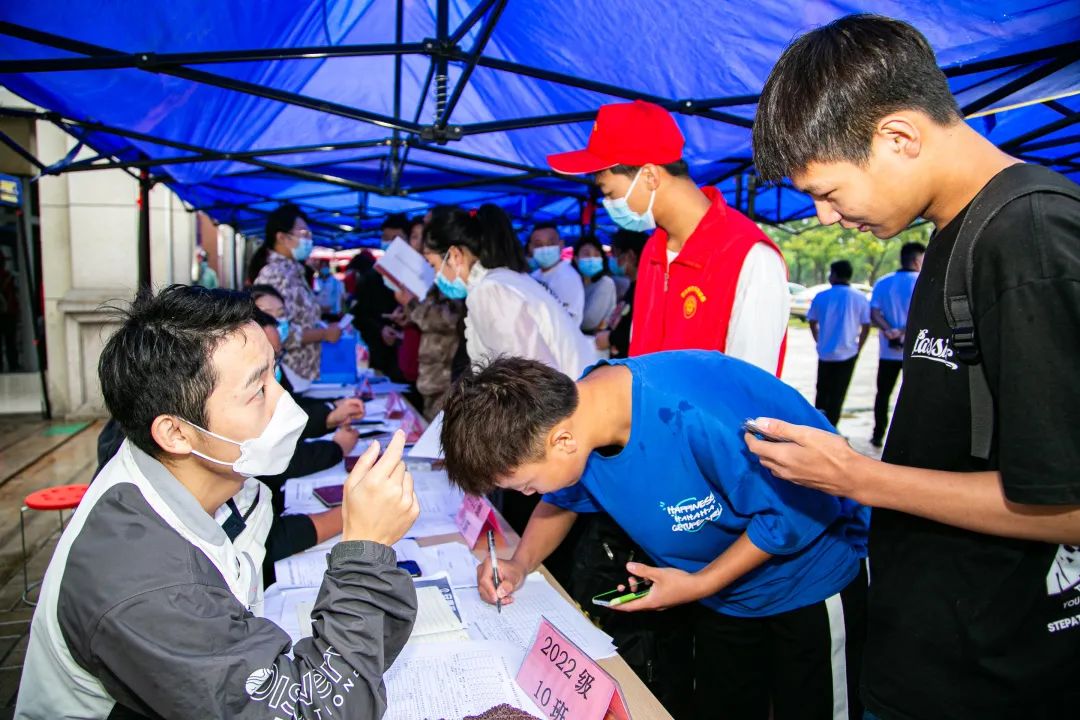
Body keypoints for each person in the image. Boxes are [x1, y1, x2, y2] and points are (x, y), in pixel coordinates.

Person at [750, 14, 1080, 720]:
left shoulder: (1028, 237)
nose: (827, 218)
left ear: (899, 137)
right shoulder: (956, 230)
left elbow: (1070, 505)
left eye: (828, 192)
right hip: (934, 648)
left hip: (995, 679)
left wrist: (856, 476)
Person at [16, 284, 419, 719]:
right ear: (175, 432)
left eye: (275, 375)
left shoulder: (210, 478)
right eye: (258, 390)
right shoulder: (149, 587)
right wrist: (364, 552)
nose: (286, 405)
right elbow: (319, 708)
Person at [441, 354, 869, 719]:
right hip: (721, 597)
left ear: (563, 441)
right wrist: (519, 563)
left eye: (526, 484)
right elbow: (563, 501)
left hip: (805, 588)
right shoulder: (579, 420)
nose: (530, 495)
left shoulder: (696, 415)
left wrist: (700, 583)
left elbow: (792, 511)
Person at [547, 100, 789, 374]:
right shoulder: (653, 250)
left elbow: (751, 388)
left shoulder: (750, 257)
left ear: (650, 176)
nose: (608, 205)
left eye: (609, 193)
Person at [421, 204, 597, 380]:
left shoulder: (490, 292)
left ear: (455, 256)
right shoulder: (506, 280)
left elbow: (526, 376)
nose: (436, 276)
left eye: (433, 265)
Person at [250, 284, 366, 433]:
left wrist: (334, 405)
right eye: (266, 314)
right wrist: (331, 422)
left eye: (281, 313)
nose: (275, 321)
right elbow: (274, 424)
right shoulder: (247, 375)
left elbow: (291, 403)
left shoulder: (276, 364)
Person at [248, 204, 342, 381]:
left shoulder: (293, 272)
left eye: (309, 235)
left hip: (302, 374)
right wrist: (323, 334)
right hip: (287, 374)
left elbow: (299, 317)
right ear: (282, 237)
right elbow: (273, 330)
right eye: (304, 234)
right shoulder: (275, 274)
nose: (309, 240)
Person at [869, 242, 925, 447]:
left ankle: (878, 434)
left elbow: (874, 312)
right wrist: (902, 332)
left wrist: (890, 331)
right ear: (917, 260)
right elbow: (923, 315)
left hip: (888, 350)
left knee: (883, 394)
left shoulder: (883, 282)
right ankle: (909, 438)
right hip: (916, 351)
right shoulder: (923, 281)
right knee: (913, 395)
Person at [807, 260, 871, 427]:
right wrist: (859, 347)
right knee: (838, 393)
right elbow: (866, 326)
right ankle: (832, 427)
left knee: (822, 391)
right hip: (848, 352)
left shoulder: (821, 296)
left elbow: (812, 321)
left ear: (834, 275)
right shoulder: (859, 298)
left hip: (825, 352)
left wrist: (818, 340)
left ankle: (818, 425)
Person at [596, 229, 648, 359]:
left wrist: (611, 338)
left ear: (630, 256)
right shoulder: (633, 287)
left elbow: (642, 333)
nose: (612, 259)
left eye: (615, 254)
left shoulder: (646, 292)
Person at [527, 222, 585, 323]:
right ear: (530, 248)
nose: (545, 248)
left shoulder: (568, 277)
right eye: (538, 245)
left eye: (550, 244)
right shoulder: (533, 276)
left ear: (561, 245)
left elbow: (566, 320)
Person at [573, 235, 618, 334]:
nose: (592, 258)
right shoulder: (574, 283)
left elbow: (589, 322)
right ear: (576, 259)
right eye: (586, 254)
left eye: (597, 255)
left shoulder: (605, 283)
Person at [0, 252, 19, 372]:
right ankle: (13, 364)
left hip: (7, 313)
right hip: (9, 313)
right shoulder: (10, 277)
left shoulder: (9, 277)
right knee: (11, 341)